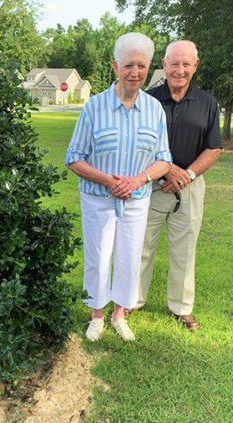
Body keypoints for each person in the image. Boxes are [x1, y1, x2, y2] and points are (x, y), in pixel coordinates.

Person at [65, 32, 172, 342]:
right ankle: (97, 314)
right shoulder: (94, 107)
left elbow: (164, 159)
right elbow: (74, 158)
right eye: (128, 65)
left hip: (138, 200)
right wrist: (109, 180)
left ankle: (120, 314)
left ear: (149, 67)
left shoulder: (154, 110)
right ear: (115, 66)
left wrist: (138, 180)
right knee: (98, 257)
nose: (134, 72)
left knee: (129, 256)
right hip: (99, 199)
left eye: (141, 65)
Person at [135, 40, 222, 330]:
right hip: (153, 183)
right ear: (164, 64)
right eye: (174, 63)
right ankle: (133, 300)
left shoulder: (208, 103)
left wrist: (188, 174)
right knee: (142, 245)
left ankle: (181, 307)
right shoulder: (148, 99)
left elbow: (213, 148)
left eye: (186, 64)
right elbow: (138, 142)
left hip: (190, 186)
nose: (180, 70)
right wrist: (166, 170)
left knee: (185, 248)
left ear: (195, 66)